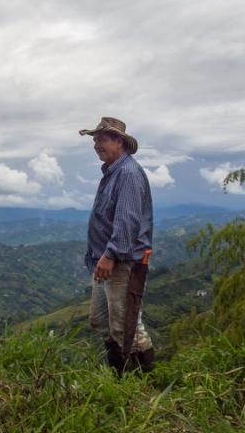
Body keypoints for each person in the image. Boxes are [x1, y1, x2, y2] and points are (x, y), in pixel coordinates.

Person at [79, 117, 155, 374]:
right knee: (99, 320)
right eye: (94, 140)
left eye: (101, 139)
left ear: (118, 141)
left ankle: (143, 384)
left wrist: (110, 254)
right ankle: (120, 374)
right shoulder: (113, 172)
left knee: (127, 327)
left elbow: (127, 220)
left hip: (122, 261)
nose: (96, 145)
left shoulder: (128, 174)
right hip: (106, 259)